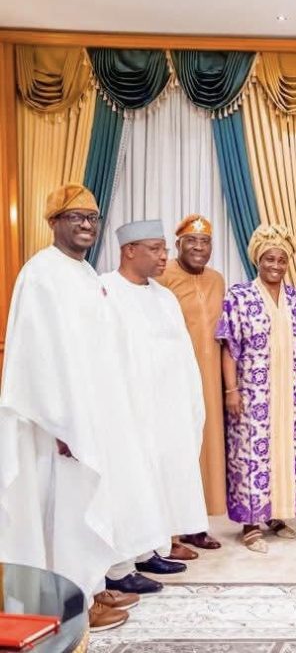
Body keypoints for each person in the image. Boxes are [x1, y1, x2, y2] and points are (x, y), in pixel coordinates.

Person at [0, 184, 167, 631]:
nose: (86, 225)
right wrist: (63, 424)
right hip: (59, 422)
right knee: (67, 513)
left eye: (92, 218)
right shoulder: (41, 274)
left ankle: (90, 585)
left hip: (91, 414)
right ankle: (71, 604)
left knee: (88, 504)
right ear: (53, 221)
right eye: (75, 217)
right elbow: (36, 358)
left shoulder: (83, 274)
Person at [100, 220, 208, 588]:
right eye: (155, 249)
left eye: (164, 249)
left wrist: (192, 400)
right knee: (129, 483)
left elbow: (181, 352)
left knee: (159, 479)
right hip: (127, 411)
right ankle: (119, 569)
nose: (165, 256)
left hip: (166, 409)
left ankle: (148, 552)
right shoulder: (104, 290)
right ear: (129, 250)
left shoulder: (164, 296)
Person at [215, 224, 296, 553]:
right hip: (254, 393)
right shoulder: (239, 296)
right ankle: (250, 524)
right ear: (258, 259)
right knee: (252, 455)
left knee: (287, 450)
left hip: (290, 392)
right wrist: (231, 390)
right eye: (269, 259)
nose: (275, 266)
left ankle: (278, 515)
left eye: (282, 260)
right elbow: (229, 346)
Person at [156, 214, 227, 552]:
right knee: (177, 450)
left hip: (209, 378)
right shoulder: (163, 275)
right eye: (192, 242)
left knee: (206, 450)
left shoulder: (217, 280)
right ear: (179, 245)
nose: (199, 248)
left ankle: (196, 525)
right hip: (173, 379)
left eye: (205, 242)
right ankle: (169, 529)